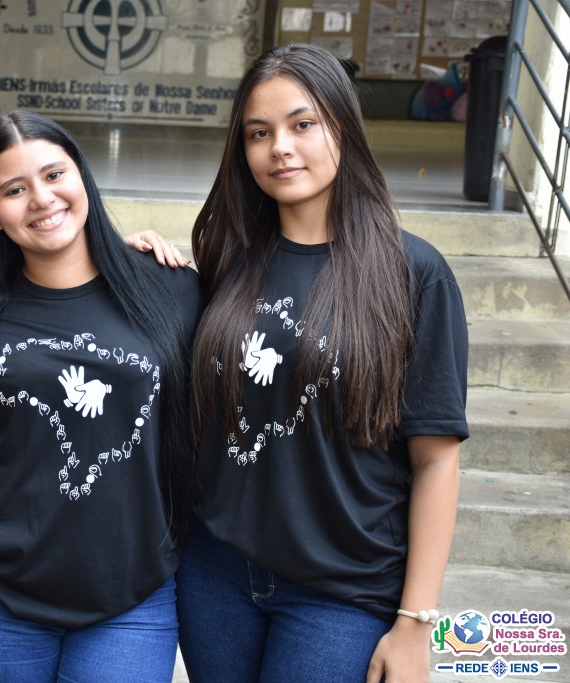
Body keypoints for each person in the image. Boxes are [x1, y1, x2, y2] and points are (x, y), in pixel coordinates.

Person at [176, 43, 469, 683]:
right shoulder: (227, 256)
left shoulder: (412, 273)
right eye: (259, 133)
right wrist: (134, 262)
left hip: (342, 591)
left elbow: (436, 459)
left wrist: (415, 622)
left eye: (302, 124)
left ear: (342, 126)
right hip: (215, 572)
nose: (280, 148)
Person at [0, 110, 202, 682]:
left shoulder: (170, 288)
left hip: (131, 596)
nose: (41, 199)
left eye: (54, 175)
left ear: (82, 176)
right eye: (13, 189)